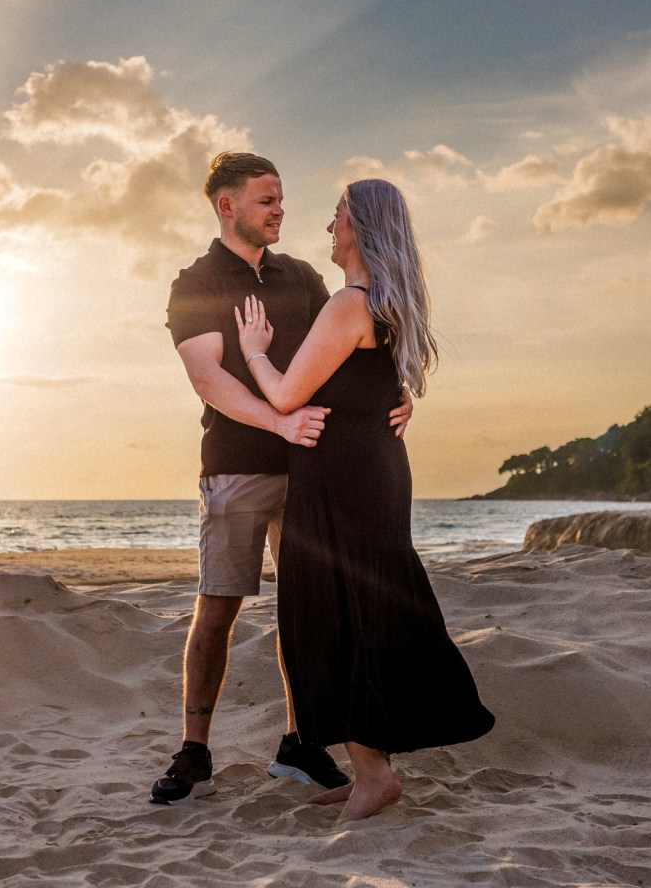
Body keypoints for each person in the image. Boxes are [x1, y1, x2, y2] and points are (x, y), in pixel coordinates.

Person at [154, 153, 412, 806]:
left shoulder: (302, 277)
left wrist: (398, 393)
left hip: (312, 472)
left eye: (282, 199)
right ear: (227, 206)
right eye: (266, 200)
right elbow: (208, 377)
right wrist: (278, 424)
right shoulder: (196, 283)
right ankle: (194, 751)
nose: (280, 210)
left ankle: (300, 746)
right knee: (217, 610)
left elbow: (348, 350)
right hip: (237, 470)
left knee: (311, 614)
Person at [235, 178, 495, 822]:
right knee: (358, 610)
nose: (327, 228)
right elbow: (377, 387)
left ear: (361, 228)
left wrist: (255, 354)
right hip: (370, 471)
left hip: (344, 478)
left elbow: (289, 395)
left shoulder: (350, 303)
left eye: (336, 215)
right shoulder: (383, 302)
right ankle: (369, 770)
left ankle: (374, 775)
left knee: (338, 614)